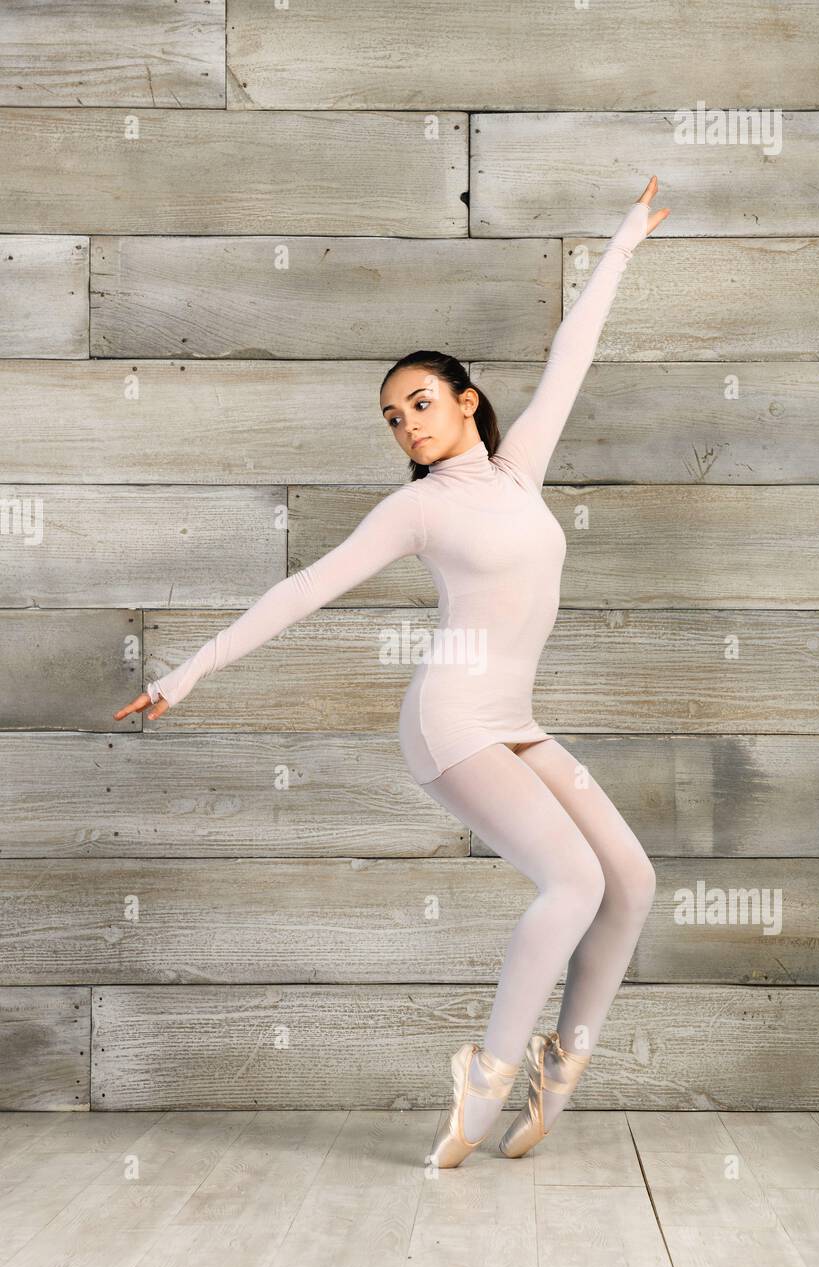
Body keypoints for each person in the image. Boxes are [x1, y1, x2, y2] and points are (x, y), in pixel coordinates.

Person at [115, 175, 670, 1169]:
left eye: (418, 402)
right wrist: (187, 670)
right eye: (390, 417)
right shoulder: (417, 510)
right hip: (451, 721)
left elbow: (568, 355)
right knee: (572, 878)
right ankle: (483, 1080)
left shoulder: (519, 473)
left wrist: (623, 240)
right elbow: (300, 592)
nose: (405, 424)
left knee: (629, 877)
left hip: (514, 719)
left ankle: (558, 1067)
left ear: (465, 401)